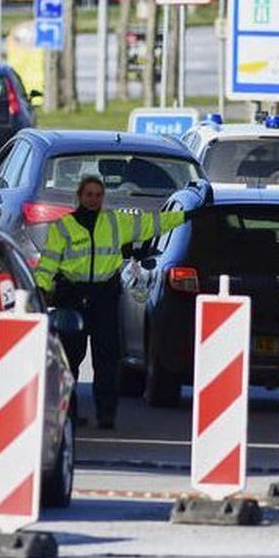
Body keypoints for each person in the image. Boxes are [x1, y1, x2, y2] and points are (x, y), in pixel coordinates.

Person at [35, 175, 200, 430]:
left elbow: (152, 223)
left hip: (104, 298)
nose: (93, 199)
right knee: (69, 360)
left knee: (107, 359)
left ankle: (106, 415)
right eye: (88, 194)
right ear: (79, 196)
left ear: (103, 197)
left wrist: (187, 215)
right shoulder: (63, 227)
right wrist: (42, 289)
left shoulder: (114, 222)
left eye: (98, 194)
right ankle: (68, 414)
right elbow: (48, 262)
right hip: (72, 297)